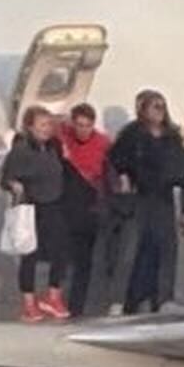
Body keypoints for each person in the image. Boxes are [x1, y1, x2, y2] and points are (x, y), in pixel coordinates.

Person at [107, 90, 184, 314]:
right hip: (138, 197)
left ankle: (164, 299)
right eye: (154, 106)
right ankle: (119, 300)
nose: (159, 111)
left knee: (166, 250)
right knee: (129, 250)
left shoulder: (172, 136)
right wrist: (124, 179)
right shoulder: (132, 134)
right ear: (142, 109)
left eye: (162, 106)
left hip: (163, 198)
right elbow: (115, 159)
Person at [2, 105, 72, 324]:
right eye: (42, 125)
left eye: (49, 124)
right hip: (32, 205)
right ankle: (29, 302)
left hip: (53, 203)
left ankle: (53, 295)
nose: (47, 129)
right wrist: (15, 186)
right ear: (30, 127)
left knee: (61, 249)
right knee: (29, 254)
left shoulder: (53, 147)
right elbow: (7, 178)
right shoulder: (22, 150)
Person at [59, 102, 112, 316]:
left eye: (87, 125)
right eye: (79, 125)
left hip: (91, 206)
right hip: (68, 206)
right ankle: (60, 301)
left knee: (84, 261)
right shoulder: (65, 137)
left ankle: (76, 307)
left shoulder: (103, 143)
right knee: (65, 258)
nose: (83, 130)